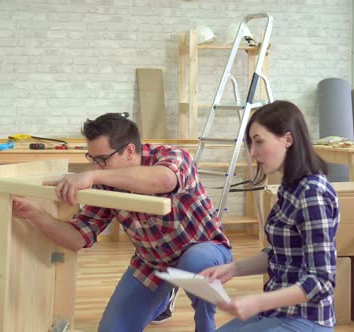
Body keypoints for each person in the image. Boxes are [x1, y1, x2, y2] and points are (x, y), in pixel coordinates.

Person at [12, 113, 232, 332]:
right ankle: (163, 297)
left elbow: (164, 180)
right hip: (153, 263)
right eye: (93, 160)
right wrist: (36, 214)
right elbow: (77, 238)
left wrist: (93, 177)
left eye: (102, 160)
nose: (97, 167)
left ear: (128, 151)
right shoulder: (107, 182)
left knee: (194, 261)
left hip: (206, 251)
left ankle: (206, 326)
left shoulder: (172, 156)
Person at [200, 100, 339, 332]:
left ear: (288, 139)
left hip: (306, 320)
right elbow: (281, 255)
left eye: (259, 142)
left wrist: (256, 302)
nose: (253, 153)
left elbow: (321, 282)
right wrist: (233, 269)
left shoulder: (312, 194)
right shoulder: (290, 188)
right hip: (278, 312)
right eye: (251, 144)